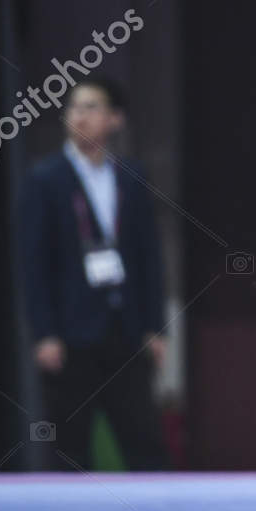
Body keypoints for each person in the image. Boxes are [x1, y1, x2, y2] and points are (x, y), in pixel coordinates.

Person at [16, 77, 168, 470]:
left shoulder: (130, 178)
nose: (80, 116)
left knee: (145, 441)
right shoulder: (46, 179)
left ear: (115, 119)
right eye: (74, 108)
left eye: (91, 107)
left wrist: (156, 327)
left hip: (125, 329)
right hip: (70, 334)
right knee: (69, 444)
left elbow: (148, 258)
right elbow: (34, 265)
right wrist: (45, 332)